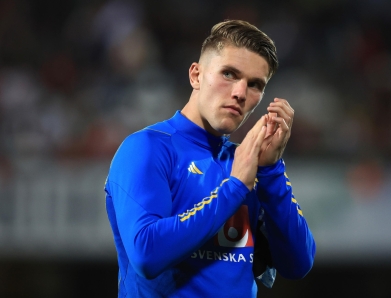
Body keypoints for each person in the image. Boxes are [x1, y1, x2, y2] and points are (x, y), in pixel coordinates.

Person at [104, 19, 316, 297]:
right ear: (196, 75)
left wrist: (272, 171)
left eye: (255, 85)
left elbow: (297, 264)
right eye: (229, 74)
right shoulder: (147, 149)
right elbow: (147, 254)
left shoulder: (248, 163)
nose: (240, 93)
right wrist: (235, 187)